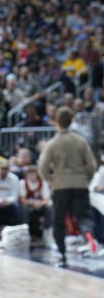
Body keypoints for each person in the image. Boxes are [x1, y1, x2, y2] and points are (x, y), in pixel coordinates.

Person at [38, 107, 98, 266]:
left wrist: (50, 179)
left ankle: (62, 254)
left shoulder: (52, 143)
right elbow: (92, 165)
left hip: (60, 184)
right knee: (84, 216)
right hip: (80, 183)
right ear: (71, 121)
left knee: (58, 221)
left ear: (56, 122)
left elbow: (42, 167)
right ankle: (89, 236)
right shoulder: (81, 140)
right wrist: (87, 179)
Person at [21, 164, 52, 245]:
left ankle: (46, 230)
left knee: (49, 208)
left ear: (37, 174)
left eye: (33, 173)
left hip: (40, 205)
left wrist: (39, 203)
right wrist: (33, 203)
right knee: (24, 208)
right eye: (29, 174)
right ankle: (26, 231)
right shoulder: (23, 183)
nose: (31, 176)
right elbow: (22, 199)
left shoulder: (43, 183)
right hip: (29, 205)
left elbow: (46, 199)